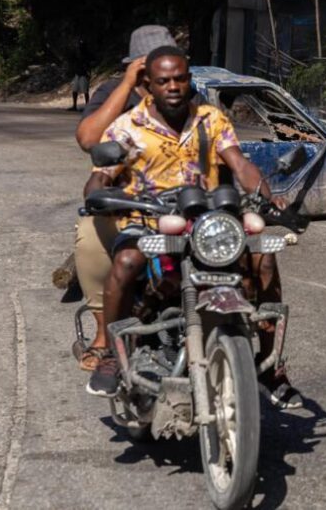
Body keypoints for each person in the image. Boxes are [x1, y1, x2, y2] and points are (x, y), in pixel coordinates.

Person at [83, 45, 303, 409]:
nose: (173, 86)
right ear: (149, 86)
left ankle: (270, 368)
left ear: (189, 80)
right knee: (125, 263)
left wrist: (266, 195)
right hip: (148, 220)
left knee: (263, 257)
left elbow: (240, 163)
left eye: (180, 78)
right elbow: (100, 175)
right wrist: (97, 194)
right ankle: (110, 352)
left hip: (207, 222)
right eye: (164, 80)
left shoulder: (211, 119)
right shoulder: (127, 126)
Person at [73, 25, 178, 373]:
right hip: (124, 201)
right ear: (136, 66)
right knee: (89, 236)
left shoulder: (185, 95)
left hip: (178, 200)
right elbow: (89, 138)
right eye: (152, 66)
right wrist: (126, 85)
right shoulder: (113, 94)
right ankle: (105, 336)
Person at [69, 38, 92, 111]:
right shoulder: (78, 53)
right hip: (79, 73)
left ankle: (86, 106)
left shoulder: (86, 54)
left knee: (84, 91)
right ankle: (75, 105)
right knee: (75, 90)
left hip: (83, 74)